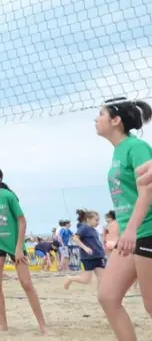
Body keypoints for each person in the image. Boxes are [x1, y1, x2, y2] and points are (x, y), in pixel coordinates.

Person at [95, 97, 152, 340]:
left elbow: (147, 190)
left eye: (101, 114)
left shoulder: (136, 147)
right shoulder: (118, 152)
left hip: (146, 229)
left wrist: (131, 229)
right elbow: (125, 199)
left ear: (116, 120)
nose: (96, 120)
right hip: (132, 232)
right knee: (107, 296)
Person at [0, 166, 47, 334]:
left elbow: (22, 221)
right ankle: (3, 325)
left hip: (15, 244)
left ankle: (43, 325)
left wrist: (18, 248)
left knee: (26, 283)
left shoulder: (8, 196)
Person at [64, 209, 105, 289]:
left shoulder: (94, 230)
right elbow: (75, 238)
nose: (98, 222)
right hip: (88, 258)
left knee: (102, 278)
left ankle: (101, 295)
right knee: (86, 280)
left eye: (98, 220)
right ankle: (70, 278)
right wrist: (85, 248)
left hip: (98, 256)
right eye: (96, 220)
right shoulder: (84, 228)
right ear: (88, 219)